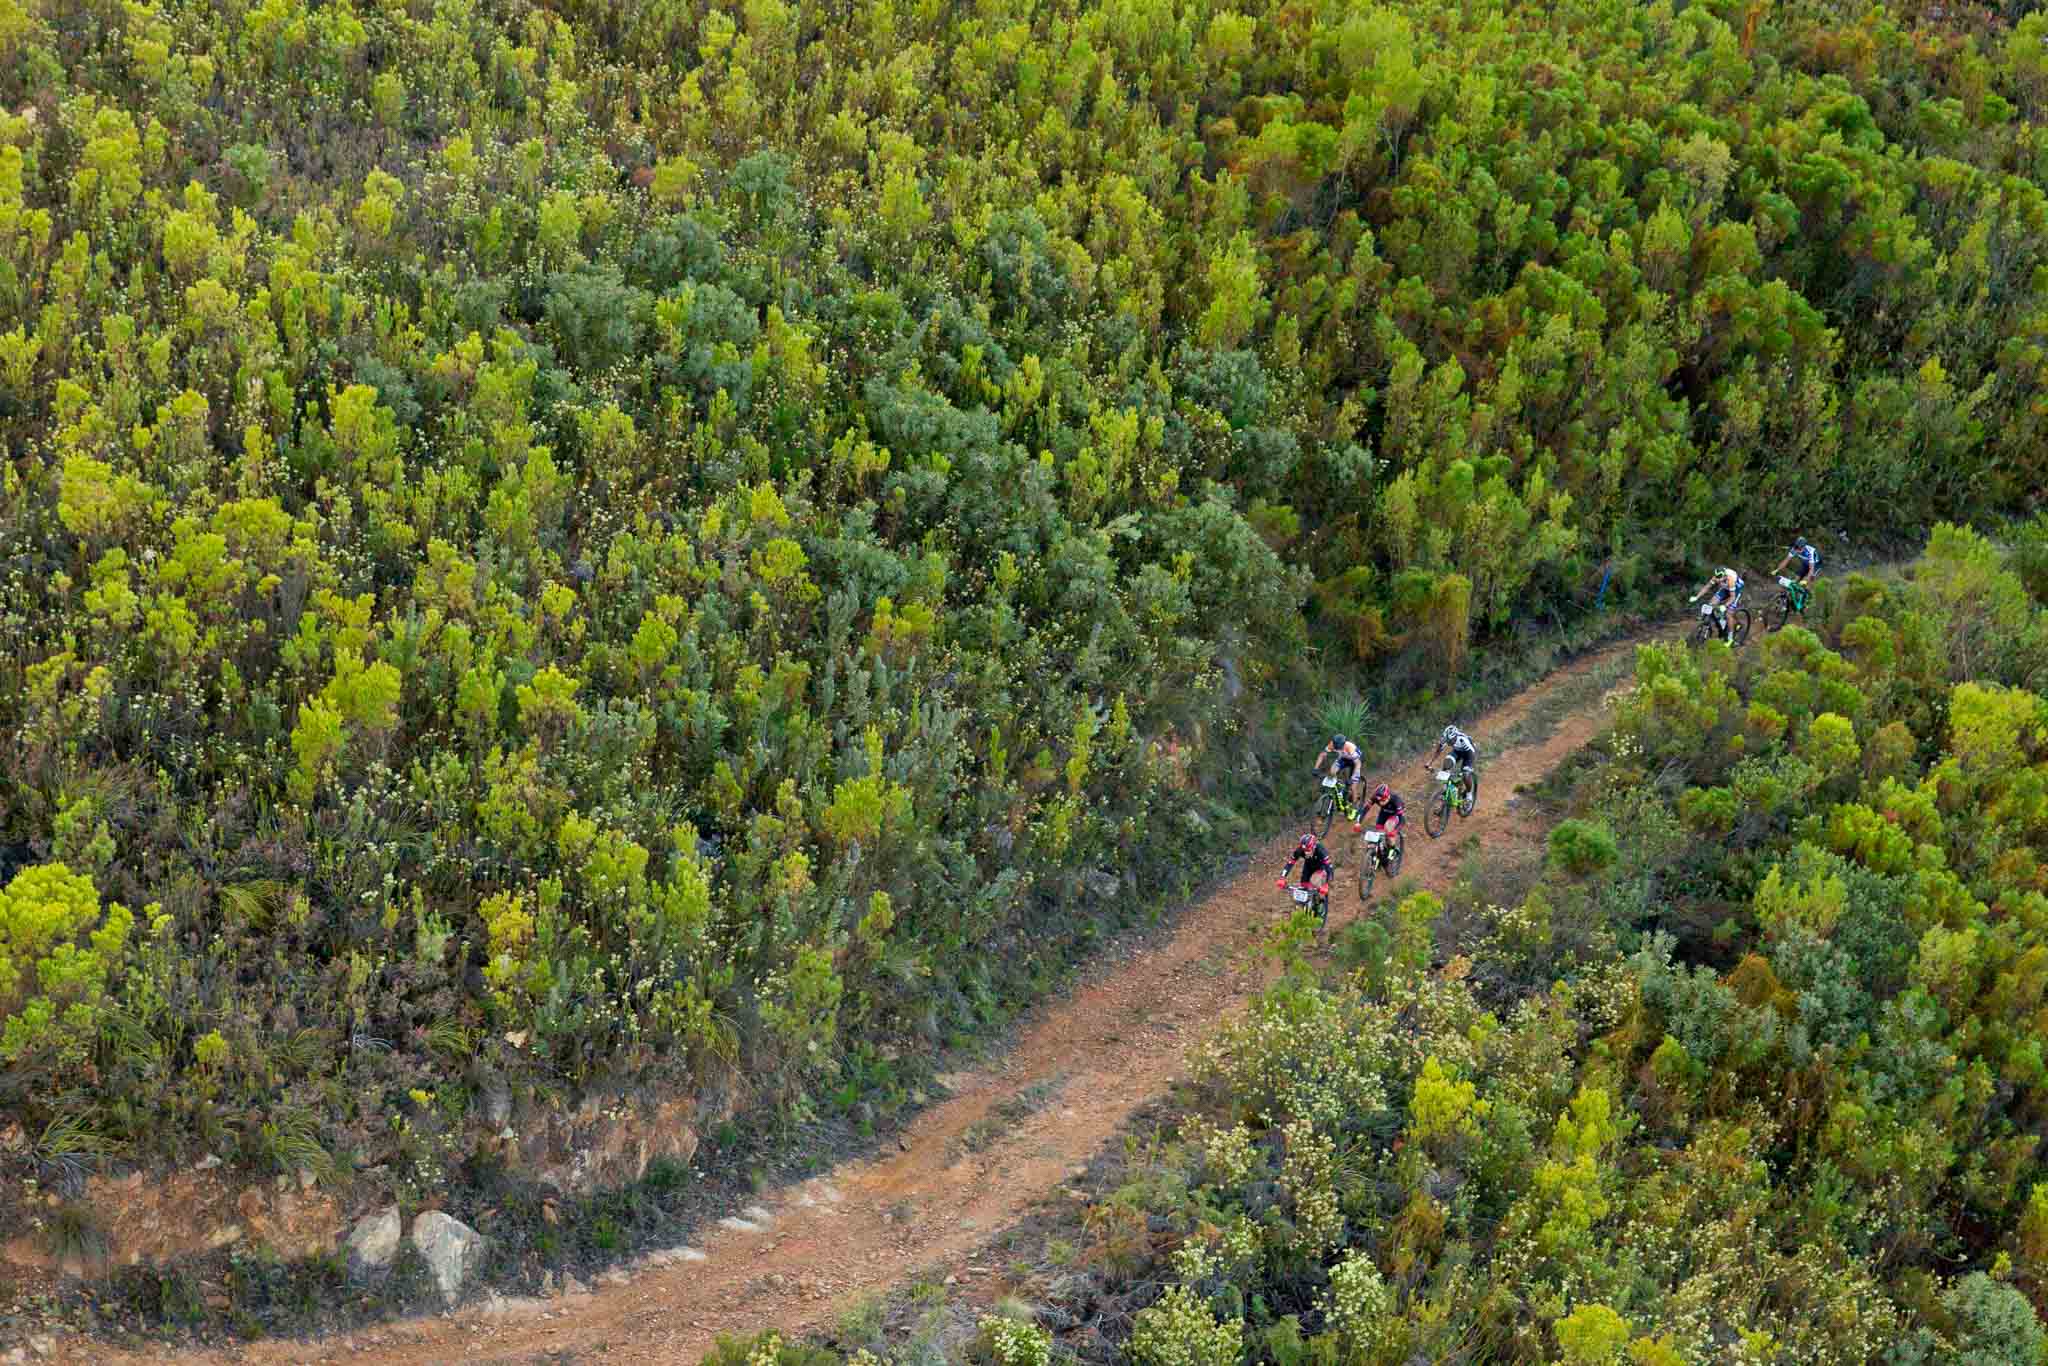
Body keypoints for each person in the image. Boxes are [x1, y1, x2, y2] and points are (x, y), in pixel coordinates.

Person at [1690, 566, 1744, 643]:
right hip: (1725, 589)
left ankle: (1730, 638)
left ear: (1724, 575)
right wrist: (1697, 597)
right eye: (1716, 577)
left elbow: (1732, 597)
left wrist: (1725, 606)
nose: (1717, 579)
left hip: (1736, 590)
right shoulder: (1716, 577)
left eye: (1719, 577)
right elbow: (1707, 587)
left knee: (1728, 614)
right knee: (1711, 603)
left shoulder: (1730, 579)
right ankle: (1719, 621)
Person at [1314, 732, 1364, 815]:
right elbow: (1322, 755)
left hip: (1355, 761)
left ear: (1344, 744)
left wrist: (1352, 779)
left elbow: (1357, 764)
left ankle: (1355, 807)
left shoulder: (1349, 747)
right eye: (1336, 747)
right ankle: (1339, 790)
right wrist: (1315, 768)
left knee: (1353, 786)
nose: (1338, 749)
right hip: (1344, 759)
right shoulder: (1332, 744)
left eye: (1340, 747)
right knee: (1332, 772)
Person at [1278, 831, 1335, 898]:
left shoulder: (1320, 850)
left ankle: (1320, 901)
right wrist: (1282, 877)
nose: (1306, 853)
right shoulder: (1300, 850)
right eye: (1304, 851)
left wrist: (1326, 884)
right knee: (1303, 888)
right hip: (1308, 867)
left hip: (1321, 867)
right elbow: (1290, 863)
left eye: (1308, 850)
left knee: (1314, 882)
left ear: (1313, 847)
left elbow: (1329, 867)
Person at [1772, 537, 1821, 609]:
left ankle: (1808, 601)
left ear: (1804, 547)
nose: (1797, 550)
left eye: (1800, 549)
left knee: (1809, 581)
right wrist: (1777, 570)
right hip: (1805, 564)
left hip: (1815, 565)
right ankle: (1790, 600)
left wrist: (1806, 580)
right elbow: (1785, 561)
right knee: (1795, 580)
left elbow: (1811, 569)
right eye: (1797, 548)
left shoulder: (1811, 552)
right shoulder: (1794, 549)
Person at [1356, 782, 1405, 854]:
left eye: (1383, 800)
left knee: (1388, 827)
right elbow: (1365, 809)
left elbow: (1402, 819)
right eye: (1379, 801)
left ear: (1388, 797)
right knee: (1378, 832)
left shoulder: (1396, 800)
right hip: (1384, 813)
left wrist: (1395, 831)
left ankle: (1392, 850)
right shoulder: (1375, 797)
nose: (1381, 803)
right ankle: (1380, 852)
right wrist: (1358, 823)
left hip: (1395, 815)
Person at [1429, 724, 1478, 795]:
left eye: (1450, 741)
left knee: (1465, 774)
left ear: (1455, 737)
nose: (1448, 743)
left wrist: (1467, 768)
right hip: (1457, 751)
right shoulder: (1445, 738)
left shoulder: (1462, 740)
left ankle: (1469, 794)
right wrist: (1429, 763)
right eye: (1447, 741)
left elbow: (1471, 754)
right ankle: (1448, 788)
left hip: (1469, 753)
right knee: (1447, 764)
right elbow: (1438, 751)